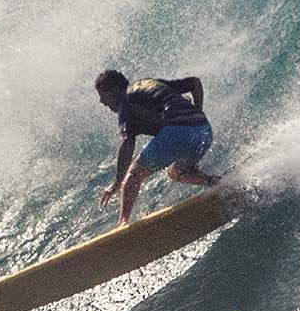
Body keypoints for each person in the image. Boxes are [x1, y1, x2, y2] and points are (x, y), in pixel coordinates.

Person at [94, 67, 220, 225]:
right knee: (177, 172)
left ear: (114, 90)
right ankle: (218, 184)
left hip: (178, 132)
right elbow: (194, 82)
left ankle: (123, 224)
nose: (102, 101)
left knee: (133, 175)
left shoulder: (125, 103)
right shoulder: (148, 84)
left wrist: (117, 183)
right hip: (203, 131)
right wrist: (197, 112)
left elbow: (127, 143)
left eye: (103, 95)